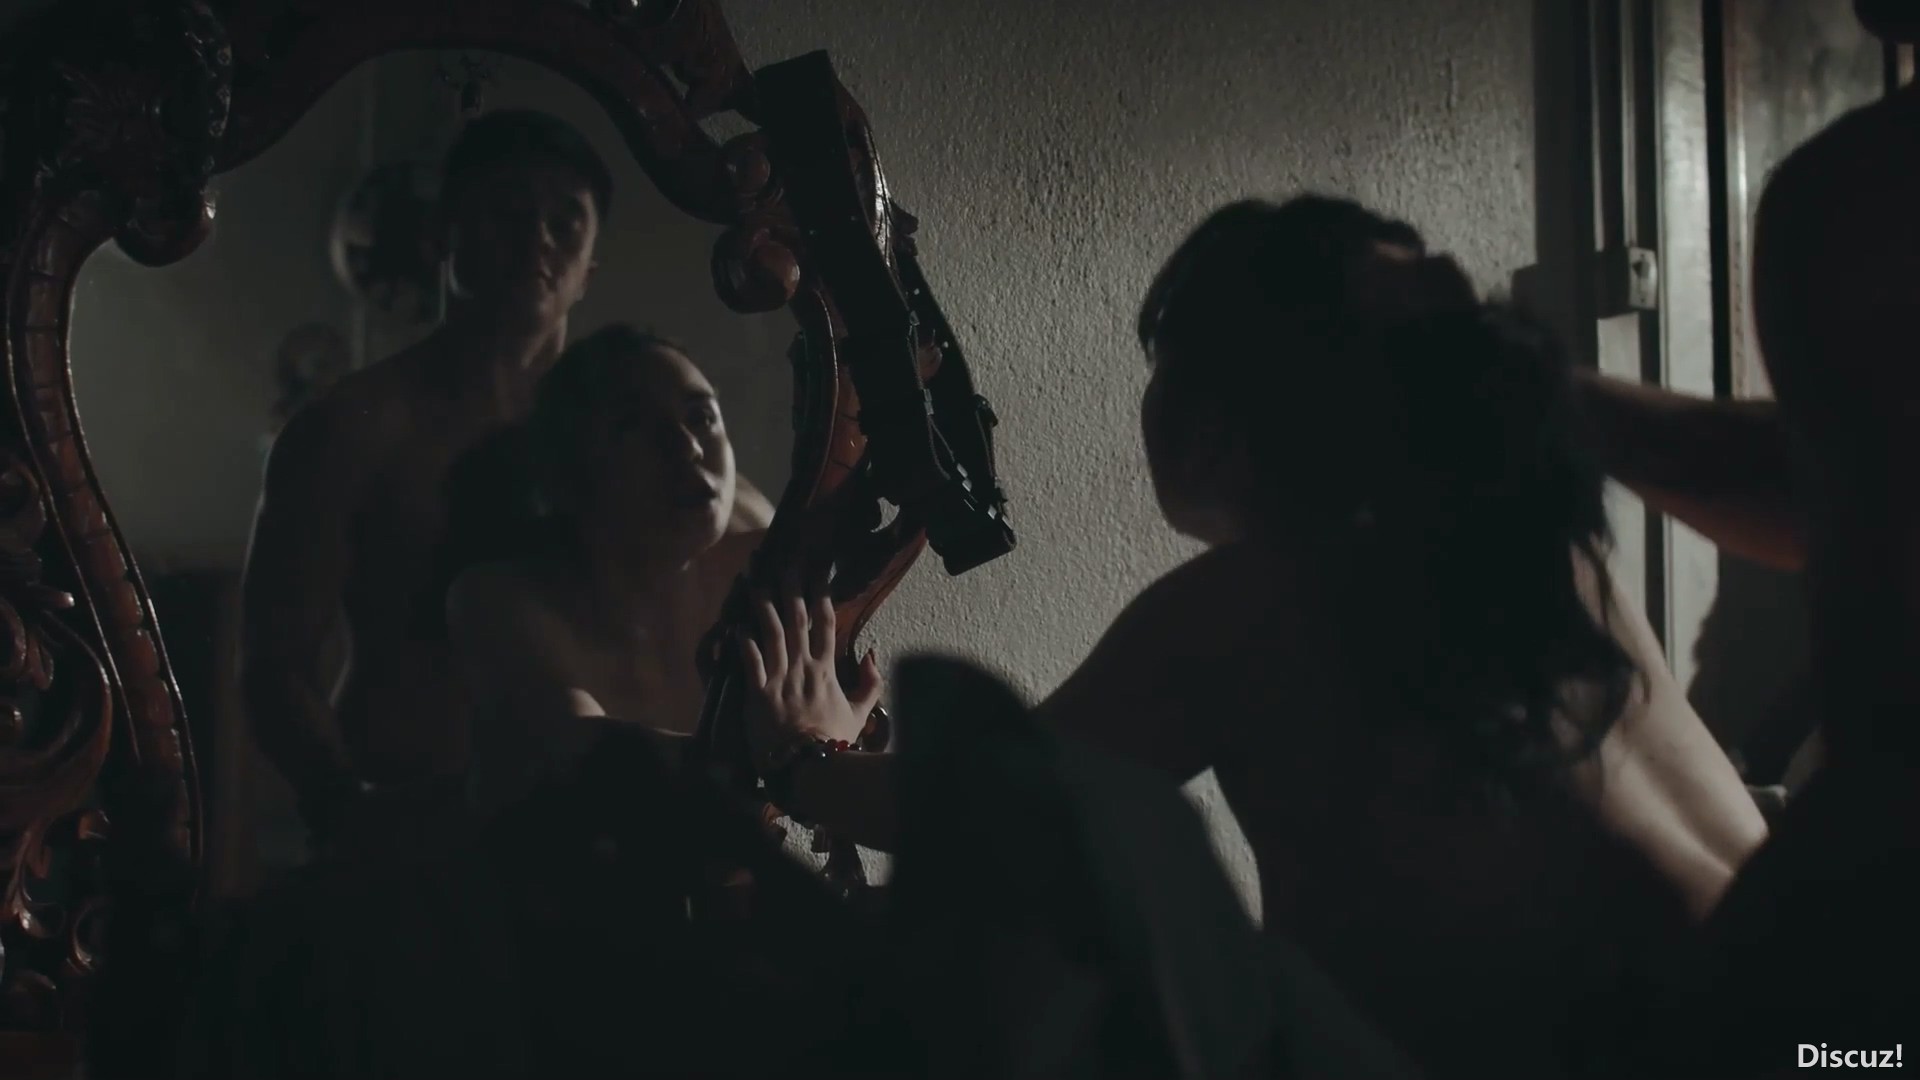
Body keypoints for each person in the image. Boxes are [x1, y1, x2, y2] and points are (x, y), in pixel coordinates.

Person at [738, 196, 1768, 1078]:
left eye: (1169, 359)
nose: (1152, 400)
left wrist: (799, 756)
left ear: (1234, 397)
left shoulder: (1258, 601)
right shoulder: (1549, 554)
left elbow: (992, 812)